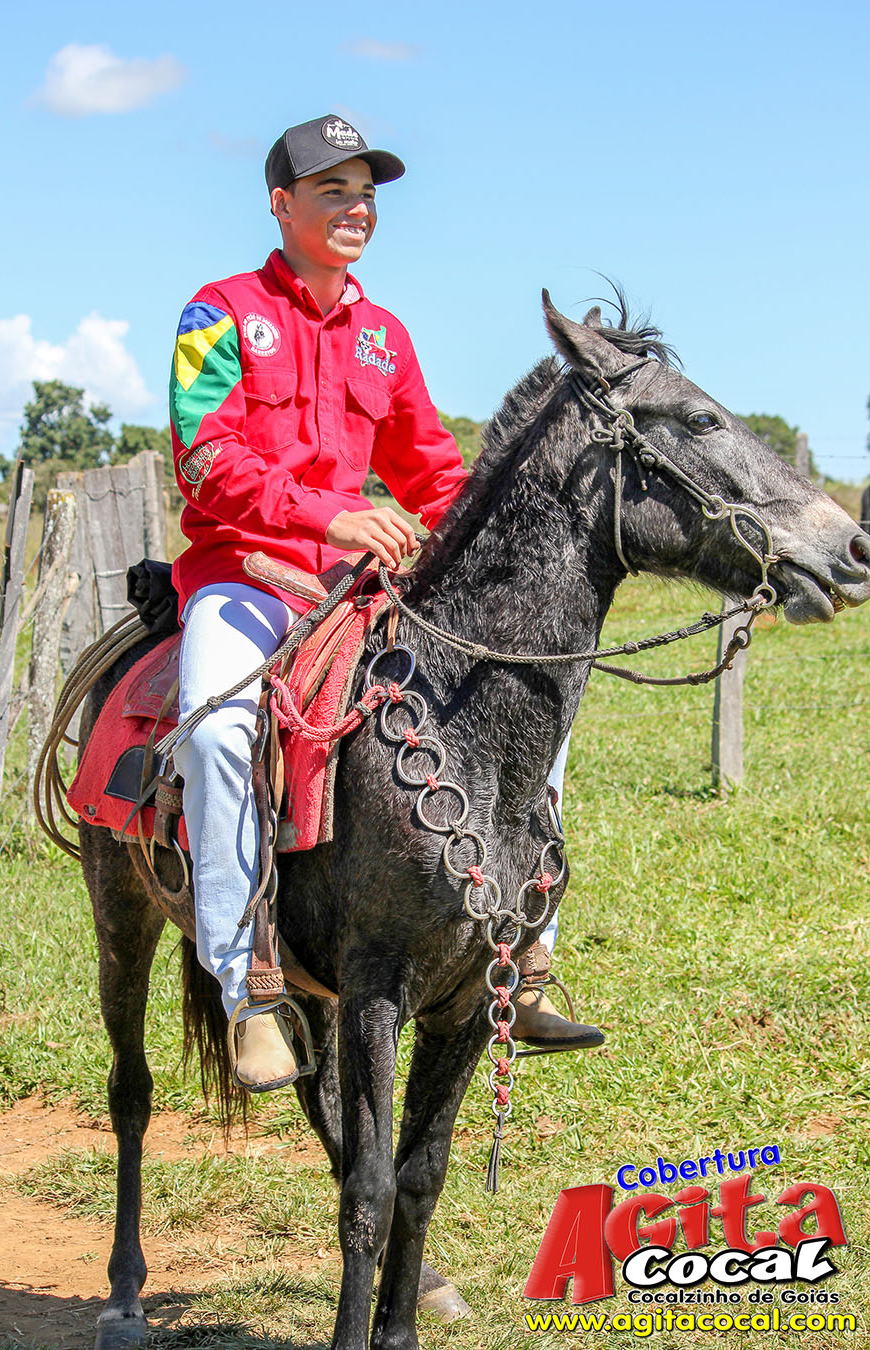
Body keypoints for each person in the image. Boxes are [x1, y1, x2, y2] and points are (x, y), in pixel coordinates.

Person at [168, 114, 599, 1091]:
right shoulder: (216, 316)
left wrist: (505, 555)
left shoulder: (383, 337)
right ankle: (252, 990)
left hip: (362, 594)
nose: (355, 207)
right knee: (218, 733)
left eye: (365, 192)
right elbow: (205, 460)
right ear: (280, 203)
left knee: (528, 707)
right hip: (248, 584)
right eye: (332, 189)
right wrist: (333, 514)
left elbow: (433, 470)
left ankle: (524, 957)